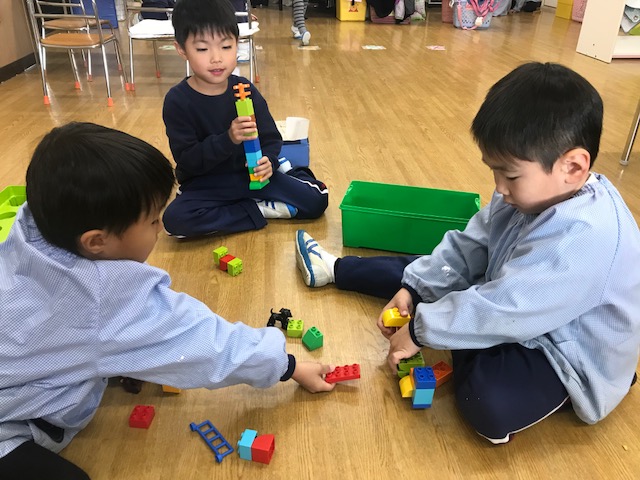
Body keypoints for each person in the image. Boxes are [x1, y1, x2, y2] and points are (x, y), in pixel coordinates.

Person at [294, 62, 640, 444]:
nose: (499, 188)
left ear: (572, 167)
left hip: (565, 352)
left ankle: (464, 332)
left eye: (510, 175)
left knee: (486, 403)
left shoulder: (586, 236)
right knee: (432, 273)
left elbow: (508, 308)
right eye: (495, 172)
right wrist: (415, 289)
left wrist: (421, 330)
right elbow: (470, 244)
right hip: (514, 306)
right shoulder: (528, 191)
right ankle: (337, 269)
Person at [0, 122, 335, 480]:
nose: (162, 228)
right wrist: (286, 365)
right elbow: (206, 343)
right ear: (96, 242)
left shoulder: (32, 228)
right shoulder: (104, 299)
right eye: (153, 221)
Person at [163, 0, 328, 238]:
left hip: (253, 175)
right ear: (181, 49)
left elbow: (270, 137)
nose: (216, 58)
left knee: (316, 201)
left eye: (226, 46)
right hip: (207, 184)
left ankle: (283, 176)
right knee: (175, 220)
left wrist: (269, 161)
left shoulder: (244, 90)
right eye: (202, 49)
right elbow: (188, 161)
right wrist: (228, 139)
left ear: (237, 43)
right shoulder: (178, 100)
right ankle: (257, 210)